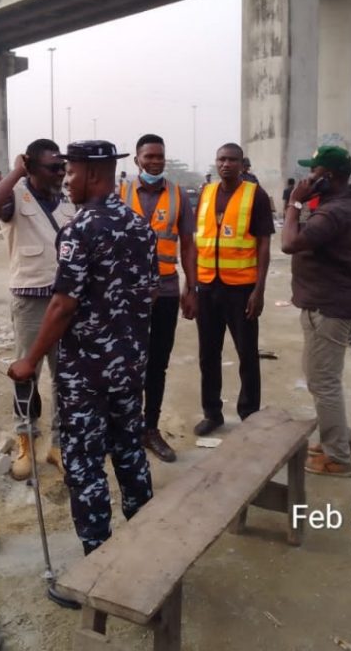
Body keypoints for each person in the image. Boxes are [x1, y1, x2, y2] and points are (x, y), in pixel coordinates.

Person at [7, 140, 158, 555]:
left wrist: (30, 360)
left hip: (87, 376)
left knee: (85, 463)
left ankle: (98, 559)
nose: (66, 181)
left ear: (91, 173)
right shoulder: (139, 225)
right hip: (128, 367)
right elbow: (146, 290)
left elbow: (62, 304)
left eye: (70, 172)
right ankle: (145, 546)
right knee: (129, 452)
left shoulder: (81, 229)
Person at [0, 139, 76, 480]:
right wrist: (16, 171)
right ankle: (25, 440)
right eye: (53, 167)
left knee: (65, 377)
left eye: (62, 167)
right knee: (26, 374)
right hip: (31, 303)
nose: (60, 172)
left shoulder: (66, 201)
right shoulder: (15, 198)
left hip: (65, 302)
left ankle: (58, 445)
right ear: (31, 167)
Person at [282, 145, 351, 477]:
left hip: (329, 308)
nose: (308, 178)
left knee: (323, 382)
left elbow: (289, 243)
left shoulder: (336, 212)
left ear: (327, 176)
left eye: (313, 172)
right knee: (319, 376)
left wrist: (294, 202)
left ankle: (337, 458)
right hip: (334, 303)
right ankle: (340, 439)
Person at [121, 134, 197, 462]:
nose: (155, 161)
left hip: (165, 291)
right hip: (126, 293)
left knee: (157, 363)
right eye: (149, 156)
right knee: (126, 362)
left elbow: (189, 245)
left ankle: (150, 427)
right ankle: (127, 427)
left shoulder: (179, 196)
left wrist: (191, 288)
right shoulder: (120, 194)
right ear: (137, 159)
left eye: (160, 156)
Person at [193, 143, 273, 436]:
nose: (225, 164)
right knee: (208, 354)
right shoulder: (206, 192)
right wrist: (192, 285)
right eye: (221, 159)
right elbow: (197, 237)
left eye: (232, 160)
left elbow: (264, 243)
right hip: (208, 286)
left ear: (243, 165)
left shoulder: (256, 195)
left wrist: (259, 290)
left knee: (247, 355)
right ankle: (212, 413)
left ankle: (249, 413)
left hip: (241, 289)